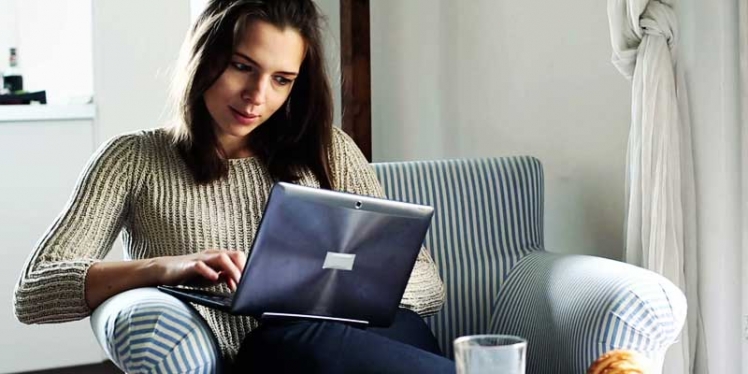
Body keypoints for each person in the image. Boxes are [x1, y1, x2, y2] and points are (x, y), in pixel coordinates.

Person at [13, 0, 452, 372]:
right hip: (281, 356)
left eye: (282, 79)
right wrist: (164, 269)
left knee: (309, 337)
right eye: (243, 66)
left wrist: (327, 293)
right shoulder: (133, 159)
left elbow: (428, 282)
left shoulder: (329, 149)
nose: (257, 95)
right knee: (285, 343)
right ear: (205, 57)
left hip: (377, 339)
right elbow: (35, 291)